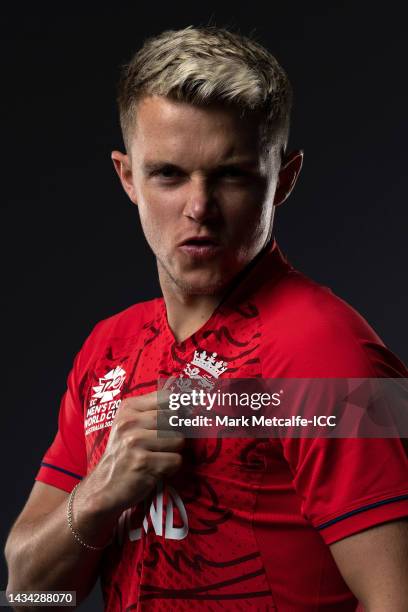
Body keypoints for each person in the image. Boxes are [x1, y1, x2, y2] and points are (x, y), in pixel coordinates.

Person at [5, 26, 408, 611]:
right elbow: (31, 596)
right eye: (168, 174)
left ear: (283, 181)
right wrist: (97, 495)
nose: (199, 208)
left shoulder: (333, 351)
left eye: (232, 175)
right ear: (127, 178)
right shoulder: (108, 348)